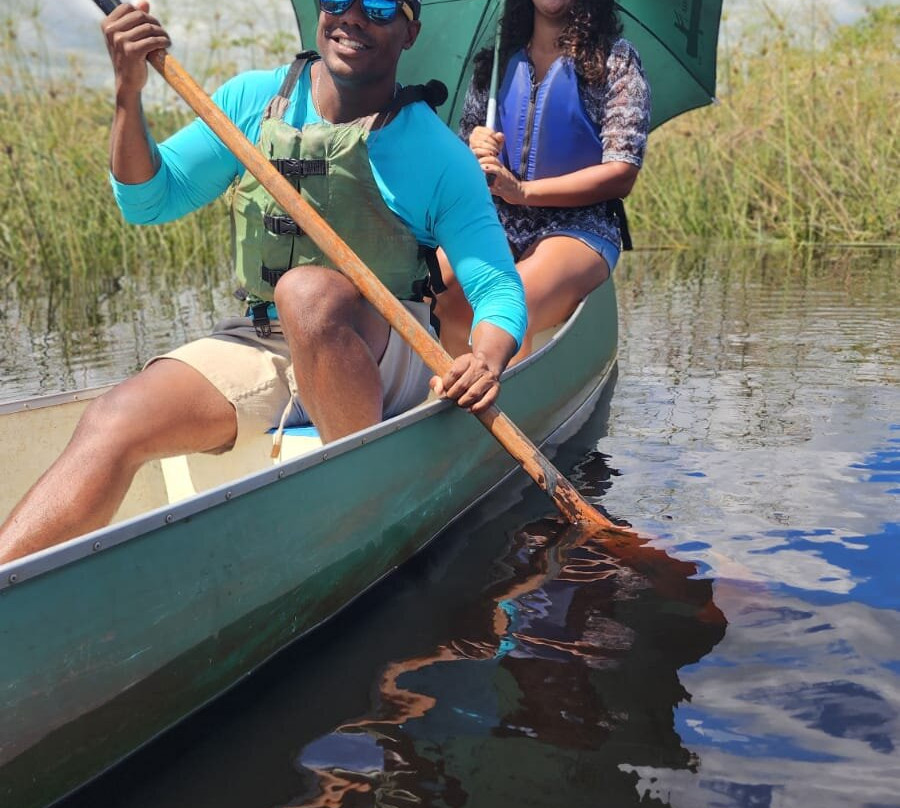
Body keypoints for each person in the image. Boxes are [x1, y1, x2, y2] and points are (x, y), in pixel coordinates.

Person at [0, 0, 526, 563]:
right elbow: (148, 201)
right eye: (337, 0)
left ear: (409, 32)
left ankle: (362, 513)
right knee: (114, 420)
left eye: (378, 7)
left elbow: (499, 290)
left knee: (307, 294)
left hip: (385, 350)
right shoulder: (254, 101)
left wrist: (485, 360)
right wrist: (129, 93)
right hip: (267, 339)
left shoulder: (439, 155)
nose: (352, 17)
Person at [433, 0, 650, 362]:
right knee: (436, 286)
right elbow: (462, 163)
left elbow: (621, 172)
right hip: (497, 219)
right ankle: (458, 380)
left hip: (579, 225)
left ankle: (496, 384)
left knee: (511, 299)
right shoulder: (496, 62)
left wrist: (523, 192)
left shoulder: (615, 61)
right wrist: (472, 147)